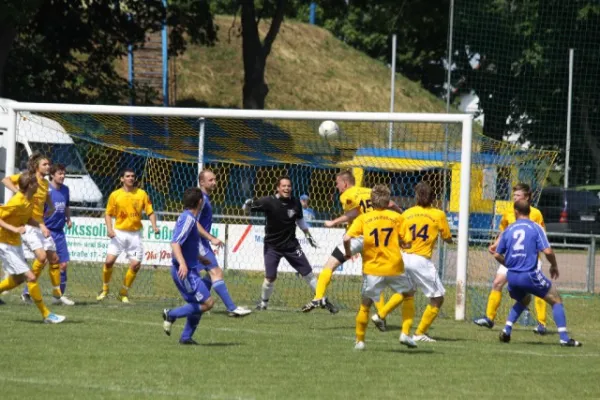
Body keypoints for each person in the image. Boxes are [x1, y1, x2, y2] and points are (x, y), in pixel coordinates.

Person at [302, 170, 402, 316]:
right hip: (374, 238)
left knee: (329, 265)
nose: (337, 187)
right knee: (370, 278)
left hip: (357, 237)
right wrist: (401, 213)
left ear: (345, 183)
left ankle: (318, 297)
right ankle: (381, 314)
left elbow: (353, 213)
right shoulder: (370, 191)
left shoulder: (347, 195)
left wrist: (333, 222)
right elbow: (391, 203)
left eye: (337, 183)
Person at [371, 182, 453, 342]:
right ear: (433, 198)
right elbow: (447, 237)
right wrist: (451, 241)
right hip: (420, 260)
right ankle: (420, 333)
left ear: (416, 197)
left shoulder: (407, 213)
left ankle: (380, 315)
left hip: (403, 257)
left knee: (407, 291)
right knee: (438, 298)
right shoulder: (438, 214)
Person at [493, 200, 581, 347]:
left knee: (524, 300)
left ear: (515, 212)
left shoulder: (509, 229)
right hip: (529, 275)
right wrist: (554, 265)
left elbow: (496, 254)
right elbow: (547, 251)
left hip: (512, 276)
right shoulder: (536, 228)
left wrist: (510, 265)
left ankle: (507, 330)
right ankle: (564, 338)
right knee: (556, 299)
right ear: (530, 211)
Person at [344, 184, 416, 350]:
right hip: (394, 266)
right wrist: (402, 243)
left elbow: (347, 238)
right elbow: (408, 241)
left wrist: (348, 253)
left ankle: (360, 341)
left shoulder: (363, 218)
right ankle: (405, 333)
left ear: (371, 201)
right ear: (388, 201)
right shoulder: (397, 218)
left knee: (365, 305)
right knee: (409, 295)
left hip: (372, 268)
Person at [474, 183, 548, 333]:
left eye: (518, 195)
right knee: (497, 282)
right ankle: (489, 318)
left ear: (527, 197)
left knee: (538, 289)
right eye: (513, 195)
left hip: (530, 260)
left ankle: (542, 324)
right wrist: (495, 245)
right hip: (511, 258)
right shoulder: (509, 212)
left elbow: (542, 234)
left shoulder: (536, 213)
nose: (515, 198)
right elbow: (504, 231)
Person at [243, 176, 319, 310]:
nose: (286, 188)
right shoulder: (268, 201)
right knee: (270, 277)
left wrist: (308, 236)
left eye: (288, 186)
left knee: (308, 273)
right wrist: (247, 205)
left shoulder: (296, 202)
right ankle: (263, 304)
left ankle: (321, 298)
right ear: (278, 188)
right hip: (272, 246)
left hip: (291, 246)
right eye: (283, 186)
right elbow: (247, 209)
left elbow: (300, 220)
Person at [1, 152, 68, 305]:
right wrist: (18, 192)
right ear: (37, 167)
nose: (48, 167)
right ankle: (28, 292)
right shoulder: (29, 179)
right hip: (29, 225)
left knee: (54, 259)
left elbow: (46, 195)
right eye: (45, 164)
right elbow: (5, 179)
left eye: (48, 164)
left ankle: (57, 296)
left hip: (39, 224)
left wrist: (50, 206)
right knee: (42, 257)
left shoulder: (44, 183)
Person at [96, 168, 159, 303]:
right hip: (119, 234)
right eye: (128, 176)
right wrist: (109, 229)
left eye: (132, 176)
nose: (131, 178)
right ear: (122, 179)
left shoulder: (142, 194)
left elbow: (150, 212)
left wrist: (154, 226)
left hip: (135, 235)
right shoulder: (115, 195)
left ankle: (123, 293)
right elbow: (108, 213)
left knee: (135, 264)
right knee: (109, 262)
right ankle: (105, 289)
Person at [162, 187, 215, 345]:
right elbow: (175, 243)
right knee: (208, 303)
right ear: (200, 202)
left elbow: (187, 245)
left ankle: (186, 337)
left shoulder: (188, 218)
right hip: (186, 272)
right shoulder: (189, 219)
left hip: (190, 269)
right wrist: (183, 264)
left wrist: (199, 257)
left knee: (202, 299)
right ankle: (171, 314)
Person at [196, 170, 251, 317]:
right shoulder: (200, 199)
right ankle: (232, 308)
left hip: (202, 242)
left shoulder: (205, 198)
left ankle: (198, 304)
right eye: (210, 180)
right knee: (217, 272)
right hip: (198, 242)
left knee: (211, 274)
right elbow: (193, 223)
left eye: (215, 179)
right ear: (202, 182)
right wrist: (211, 238)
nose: (214, 182)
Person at [22, 163, 75, 305]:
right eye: (60, 174)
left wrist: (68, 218)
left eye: (64, 174)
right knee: (42, 261)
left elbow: (67, 206)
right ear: (52, 175)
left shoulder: (65, 190)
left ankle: (58, 296)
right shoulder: (46, 189)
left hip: (59, 232)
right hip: (46, 230)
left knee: (63, 264)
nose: (63, 176)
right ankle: (27, 291)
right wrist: (41, 226)